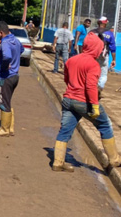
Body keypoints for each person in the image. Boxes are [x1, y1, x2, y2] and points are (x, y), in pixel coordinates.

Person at [52, 33, 121, 172]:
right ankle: (114, 160)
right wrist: (94, 105)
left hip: (68, 100)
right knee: (105, 125)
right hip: (84, 101)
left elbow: (66, 79)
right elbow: (90, 87)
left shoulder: (71, 60)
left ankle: (57, 162)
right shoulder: (93, 64)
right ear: (96, 48)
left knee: (65, 130)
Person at [0, 21, 24, 137]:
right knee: (7, 101)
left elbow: (7, 56)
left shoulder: (5, 42)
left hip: (6, 76)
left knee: (3, 102)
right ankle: (10, 127)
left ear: (1, 32)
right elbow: (21, 50)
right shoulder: (15, 40)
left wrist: (4, 65)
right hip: (15, 76)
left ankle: (4, 129)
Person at [91, 17, 116, 94]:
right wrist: (114, 59)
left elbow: (87, 44)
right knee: (103, 75)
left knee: (92, 73)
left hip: (93, 56)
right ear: (105, 24)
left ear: (98, 23)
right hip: (104, 56)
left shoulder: (92, 32)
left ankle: (90, 89)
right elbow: (113, 48)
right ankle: (99, 89)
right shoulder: (109, 34)